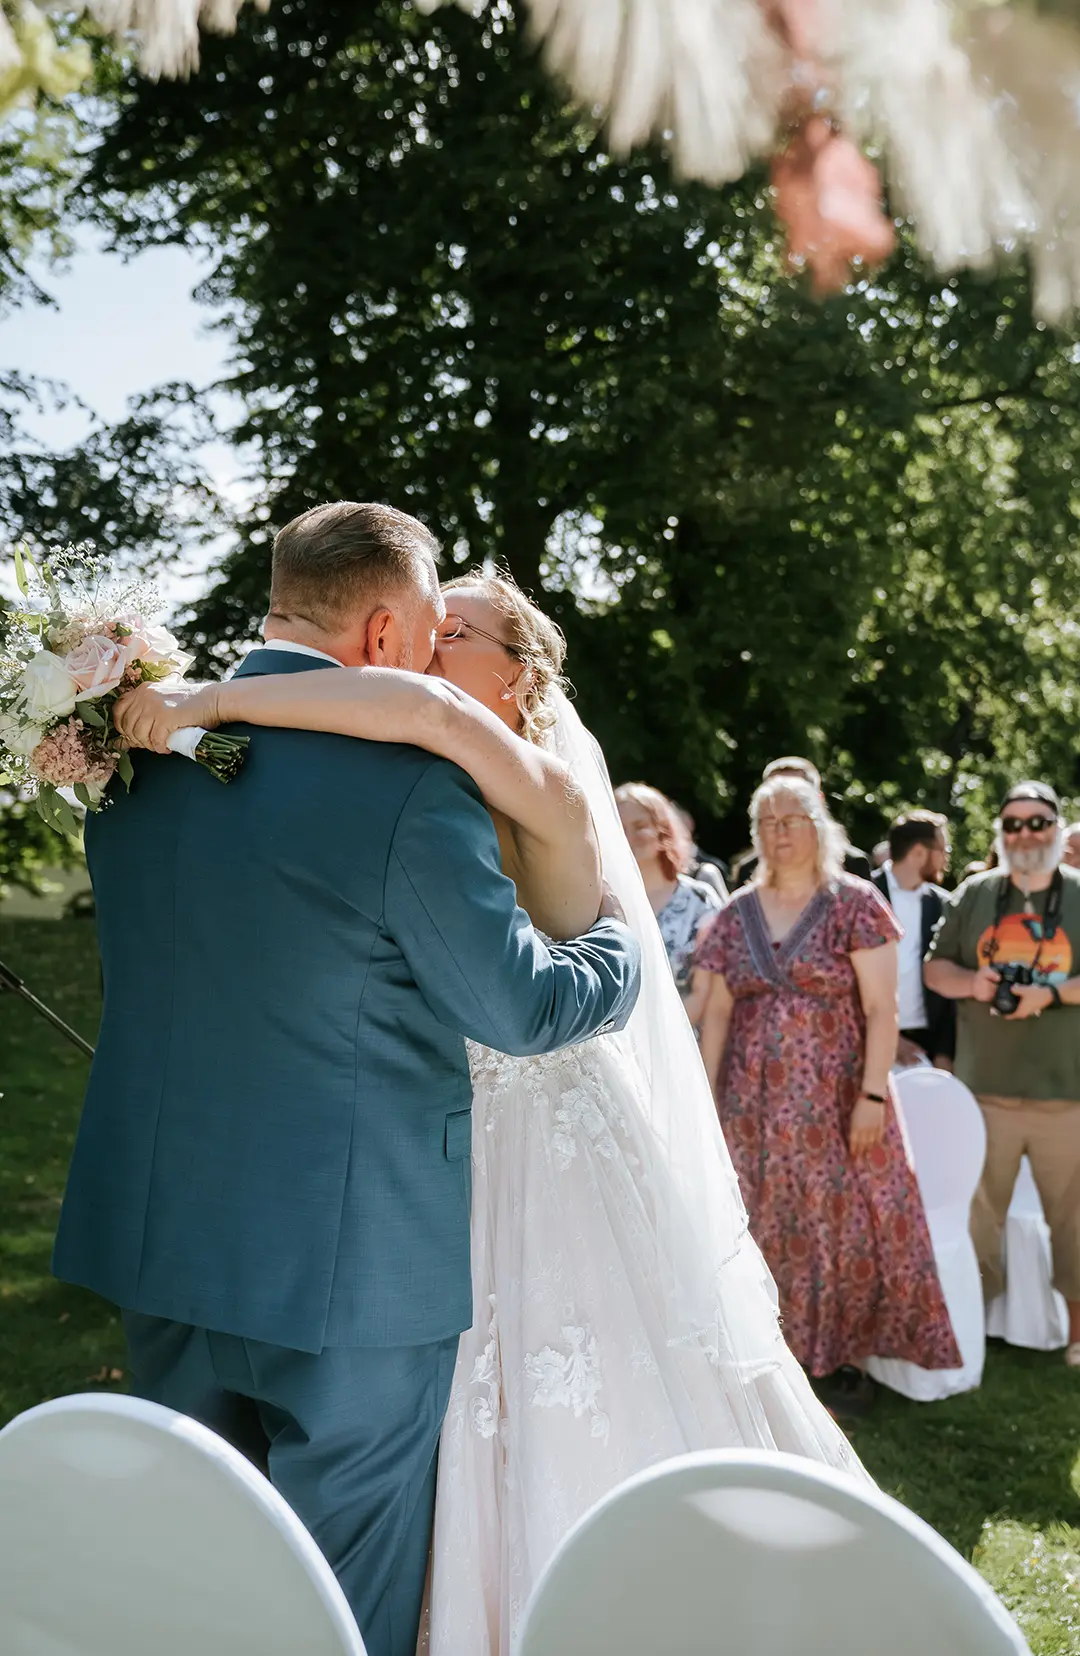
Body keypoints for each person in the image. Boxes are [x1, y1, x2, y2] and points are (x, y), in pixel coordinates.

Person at [116, 569, 869, 1656]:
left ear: (520, 678)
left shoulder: (532, 778)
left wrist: (207, 699)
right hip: (422, 1136)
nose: (426, 644)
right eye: (425, 623)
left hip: (537, 1123)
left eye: (454, 629)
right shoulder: (415, 766)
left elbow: (407, 703)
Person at [53, 504, 643, 1656]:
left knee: (184, 1573)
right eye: (425, 634)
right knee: (333, 1610)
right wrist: (620, 953)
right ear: (382, 632)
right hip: (349, 1271)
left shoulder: (130, 770)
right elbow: (518, 1009)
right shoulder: (409, 792)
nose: (428, 660)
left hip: (166, 1242)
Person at [695, 775, 961, 1417]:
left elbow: (881, 1009)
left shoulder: (856, 903)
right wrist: (702, 1105)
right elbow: (719, 1016)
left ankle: (837, 1360)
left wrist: (872, 1097)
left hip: (840, 1100)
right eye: (767, 822)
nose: (779, 833)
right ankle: (773, 1361)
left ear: (819, 826)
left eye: (792, 819)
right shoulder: (734, 914)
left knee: (836, 1227)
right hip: (750, 1107)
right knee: (765, 1225)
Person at [924, 780, 1080, 1367]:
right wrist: (974, 983)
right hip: (982, 1089)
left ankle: (1076, 1336)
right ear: (1000, 832)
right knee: (978, 1216)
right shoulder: (975, 894)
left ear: (1056, 828)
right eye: (1012, 824)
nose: (1024, 834)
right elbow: (935, 970)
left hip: (1067, 1092)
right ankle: (973, 1324)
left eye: (1036, 822)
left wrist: (1053, 995)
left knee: (1075, 1222)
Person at [614, 781, 724, 1017]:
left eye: (640, 825)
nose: (630, 836)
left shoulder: (699, 901)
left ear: (662, 828)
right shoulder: (604, 901)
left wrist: (665, 1044)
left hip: (686, 1040)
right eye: (620, 828)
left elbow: (707, 992)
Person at [871, 811, 956, 1069]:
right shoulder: (864, 895)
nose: (946, 858)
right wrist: (891, 1038)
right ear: (919, 852)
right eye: (943, 849)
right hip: (870, 1041)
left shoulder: (945, 905)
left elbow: (949, 988)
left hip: (927, 1047)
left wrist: (944, 1053)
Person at [732, 756, 872, 886]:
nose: (783, 803)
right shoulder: (748, 871)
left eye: (796, 794)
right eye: (773, 795)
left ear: (818, 800)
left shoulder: (853, 866)